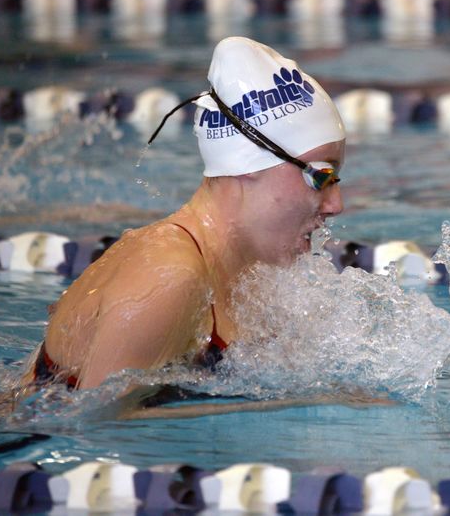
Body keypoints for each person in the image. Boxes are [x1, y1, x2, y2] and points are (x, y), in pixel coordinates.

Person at [22, 36, 346, 392]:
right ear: (249, 164)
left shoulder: (247, 270)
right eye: (321, 176)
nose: (336, 204)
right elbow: (93, 430)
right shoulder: (168, 277)